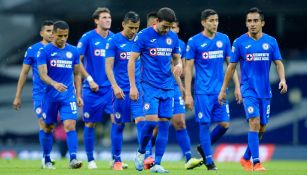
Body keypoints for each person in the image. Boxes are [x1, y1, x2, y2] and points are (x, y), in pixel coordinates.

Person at [218, 7, 287, 172]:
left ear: (262, 23)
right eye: (249, 21)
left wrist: (283, 79)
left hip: (265, 92)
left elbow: (278, 63)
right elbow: (231, 67)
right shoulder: (240, 42)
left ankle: (245, 157)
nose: (252, 24)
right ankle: (256, 163)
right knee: (254, 122)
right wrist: (223, 89)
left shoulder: (271, 42)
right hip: (248, 90)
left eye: (256, 21)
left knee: (261, 128)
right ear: (246, 23)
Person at [185, 9, 241, 170]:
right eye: (211, 20)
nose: (215, 23)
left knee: (224, 124)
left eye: (216, 20)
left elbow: (231, 64)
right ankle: (209, 161)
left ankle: (204, 147)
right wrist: (188, 93)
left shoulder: (224, 39)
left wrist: (237, 86)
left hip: (219, 91)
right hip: (202, 91)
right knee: (204, 124)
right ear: (203, 22)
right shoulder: (194, 41)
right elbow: (188, 68)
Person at [129, 7, 183, 173]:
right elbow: (131, 61)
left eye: (169, 27)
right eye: (164, 26)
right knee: (151, 122)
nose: (166, 30)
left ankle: (157, 163)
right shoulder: (143, 36)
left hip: (168, 87)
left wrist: (179, 65)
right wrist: (132, 85)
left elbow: (176, 58)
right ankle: (141, 152)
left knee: (165, 124)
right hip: (149, 86)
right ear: (156, 22)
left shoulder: (172, 37)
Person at [143, 21, 203, 170]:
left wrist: (183, 88)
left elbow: (180, 67)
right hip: (157, 85)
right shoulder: (154, 41)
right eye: (169, 27)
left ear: (178, 28)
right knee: (154, 124)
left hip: (174, 87)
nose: (171, 30)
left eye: (174, 27)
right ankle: (147, 155)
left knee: (179, 121)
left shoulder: (180, 44)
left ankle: (188, 158)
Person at [37, 20, 83, 169]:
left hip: (67, 96)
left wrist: (78, 94)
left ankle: (73, 159)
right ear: (53, 34)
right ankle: (47, 159)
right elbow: (42, 74)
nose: (63, 39)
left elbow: (77, 74)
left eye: (66, 35)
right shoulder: (44, 51)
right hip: (50, 96)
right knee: (48, 127)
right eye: (60, 36)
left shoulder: (74, 51)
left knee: (70, 125)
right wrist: (54, 83)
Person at [76, 7, 116, 169]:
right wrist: (90, 79)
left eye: (109, 17)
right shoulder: (88, 38)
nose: (108, 20)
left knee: (117, 121)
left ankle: (116, 159)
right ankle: (91, 160)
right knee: (90, 124)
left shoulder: (114, 38)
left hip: (110, 89)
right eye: (104, 17)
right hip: (92, 89)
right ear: (96, 21)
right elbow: (77, 61)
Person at [12, 20, 55, 168]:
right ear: (41, 33)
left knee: (51, 127)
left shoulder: (61, 49)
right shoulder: (33, 50)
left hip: (57, 95)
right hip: (40, 94)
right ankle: (46, 159)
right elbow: (24, 73)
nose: (51, 34)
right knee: (44, 124)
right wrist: (18, 96)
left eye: (53, 31)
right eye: (48, 31)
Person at [105, 11, 144, 171]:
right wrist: (115, 86)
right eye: (131, 27)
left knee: (142, 122)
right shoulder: (114, 41)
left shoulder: (141, 40)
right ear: (123, 24)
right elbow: (108, 66)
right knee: (119, 124)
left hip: (139, 90)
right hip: (120, 90)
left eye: (136, 28)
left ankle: (144, 157)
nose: (134, 31)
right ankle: (117, 160)